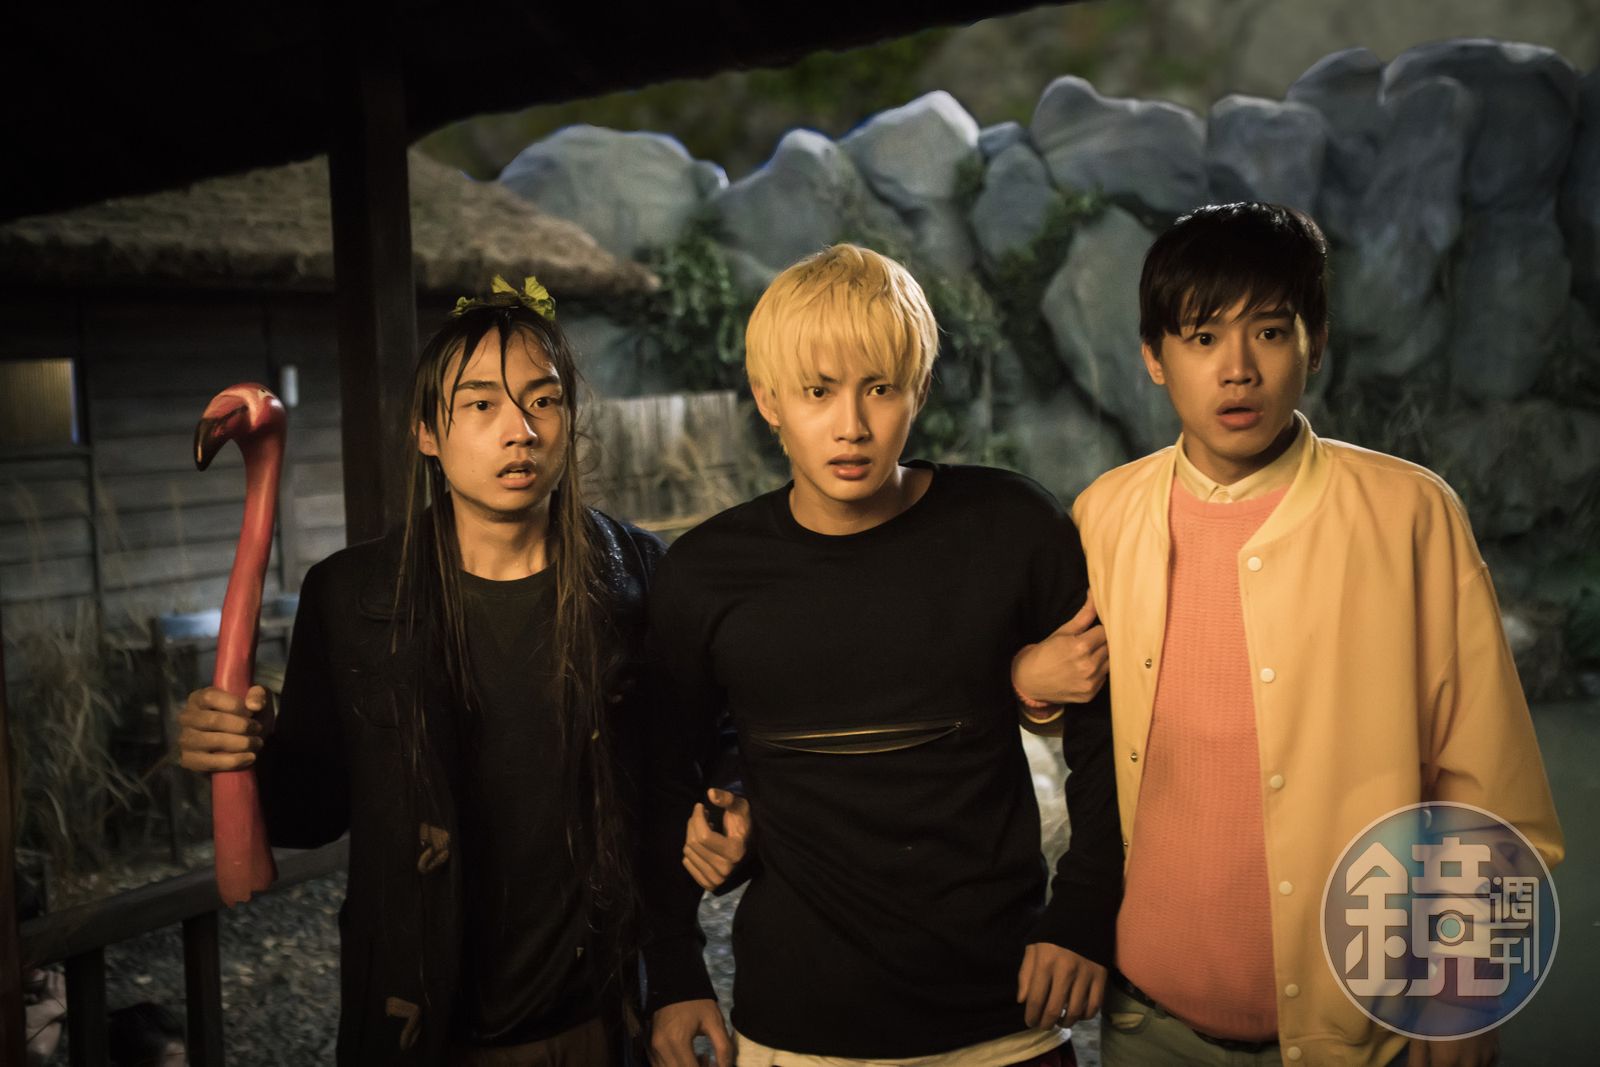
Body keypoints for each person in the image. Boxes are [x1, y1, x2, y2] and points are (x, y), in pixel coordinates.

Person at [1014, 202, 1565, 1067]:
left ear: (1316, 342)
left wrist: (1465, 987)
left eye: (1269, 332)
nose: (1237, 370)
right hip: (1147, 1025)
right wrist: (1028, 684)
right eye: (1202, 338)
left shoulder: (1409, 514)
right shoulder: (1105, 514)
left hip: (1367, 1029)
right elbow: (1086, 722)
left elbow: (1482, 770)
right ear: (1154, 357)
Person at [639, 244, 1122, 1067]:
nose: (852, 425)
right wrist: (676, 972)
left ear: (920, 388)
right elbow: (659, 773)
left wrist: (1082, 914)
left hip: (1003, 1019)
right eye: (818, 391)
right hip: (796, 1028)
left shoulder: (1012, 527)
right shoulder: (705, 573)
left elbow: (1108, 735)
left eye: (880, 388)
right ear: (768, 398)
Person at [177, 277, 664, 1065]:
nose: (519, 430)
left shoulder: (636, 576)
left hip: (600, 1022)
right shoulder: (351, 597)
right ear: (428, 432)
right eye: (481, 404)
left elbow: (684, 775)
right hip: (419, 1029)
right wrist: (246, 752)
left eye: (542, 401)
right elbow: (311, 812)